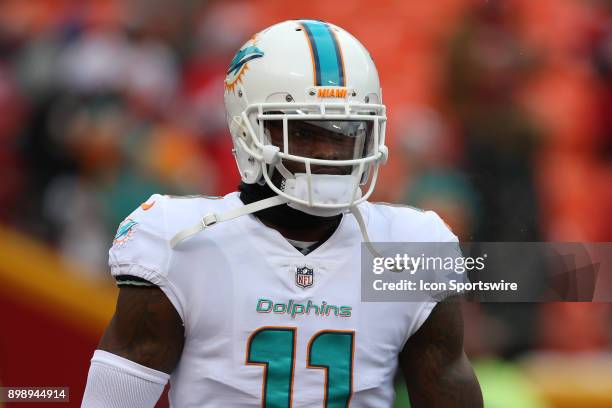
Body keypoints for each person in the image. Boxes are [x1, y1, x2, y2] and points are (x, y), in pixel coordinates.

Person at [81, 20, 483, 407]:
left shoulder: (407, 249)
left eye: (344, 133)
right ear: (248, 132)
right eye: (304, 131)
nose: (328, 153)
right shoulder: (185, 242)